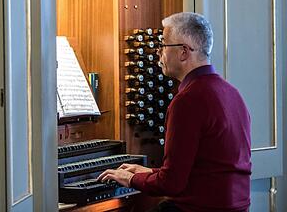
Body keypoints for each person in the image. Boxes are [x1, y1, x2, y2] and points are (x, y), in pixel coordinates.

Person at [97, 12, 251, 212]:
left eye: (163, 45)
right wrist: (150, 172)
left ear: (184, 52)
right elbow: (204, 168)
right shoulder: (232, 92)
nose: (158, 53)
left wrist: (132, 178)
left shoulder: (188, 100)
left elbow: (171, 184)